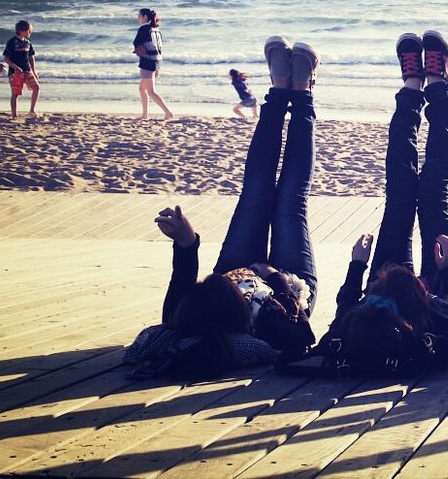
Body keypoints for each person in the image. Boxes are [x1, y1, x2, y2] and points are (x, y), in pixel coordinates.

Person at [287, 30, 448, 378]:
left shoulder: (352, 342)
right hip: (435, 294)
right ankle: (437, 85)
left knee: (402, 195)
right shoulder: (426, 342)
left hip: (383, 287)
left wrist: (357, 269)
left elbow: (342, 319)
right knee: (430, 194)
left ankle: (414, 86)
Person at [124, 37, 322, 379]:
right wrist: (272, 277)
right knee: (289, 199)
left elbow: (182, 280)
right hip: (289, 286)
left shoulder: (179, 324)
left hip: (234, 271)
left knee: (260, 193)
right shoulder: (264, 334)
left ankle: (283, 89)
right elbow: (302, 335)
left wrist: (187, 243)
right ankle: (298, 92)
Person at [134, 7, 174, 120]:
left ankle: (168, 112)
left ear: (145, 17)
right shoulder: (156, 29)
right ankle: (145, 115)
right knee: (142, 89)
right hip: (157, 62)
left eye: (139, 16)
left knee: (151, 91)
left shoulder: (143, 29)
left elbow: (136, 42)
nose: (138, 18)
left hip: (148, 62)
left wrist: (137, 49)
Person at [3, 20, 40, 120]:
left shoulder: (28, 42)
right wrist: (15, 67)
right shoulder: (12, 42)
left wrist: (34, 71)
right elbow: (6, 58)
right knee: (15, 94)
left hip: (27, 70)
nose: (30, 33)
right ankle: (14, 115)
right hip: (15, 72)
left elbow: (31, 56)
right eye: (29, 31)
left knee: (36, 87)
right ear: (22, 30)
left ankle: (32, 110)